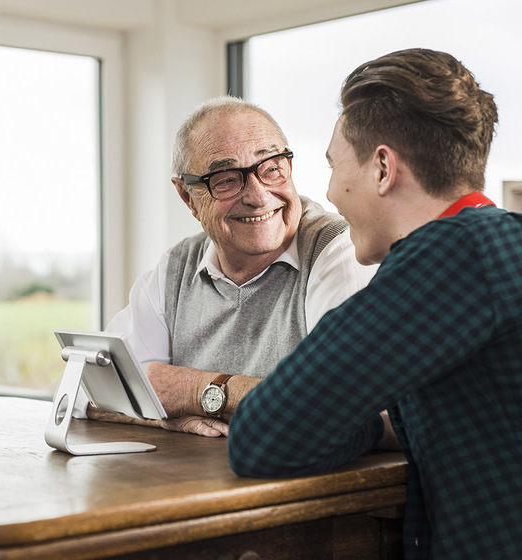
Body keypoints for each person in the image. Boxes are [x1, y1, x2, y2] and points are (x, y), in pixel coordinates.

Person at [154, 48, 520, 559]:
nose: (327, 191)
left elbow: (264, 436)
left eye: (332, 164)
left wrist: (350, 419)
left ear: (383, 169)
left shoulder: (451, 255)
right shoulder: (493, 246)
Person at [84, 96, 376, 436]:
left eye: (272, 168)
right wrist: (162, 416)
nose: (258, 195)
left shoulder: (338, 248)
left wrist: (197, 391)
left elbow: (338, 405)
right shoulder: (176, 267)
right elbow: (85, 387)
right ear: (187, 197)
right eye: (225, 179)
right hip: (195, 481)